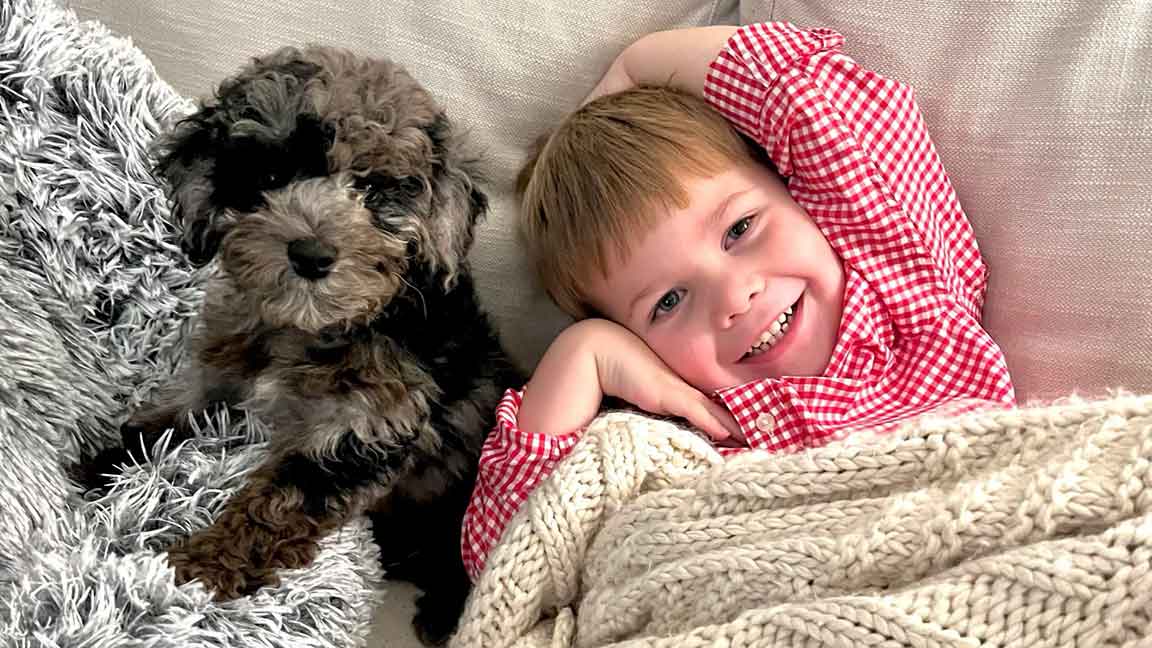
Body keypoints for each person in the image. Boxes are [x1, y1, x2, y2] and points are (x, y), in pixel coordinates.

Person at [461, 21, 1015, 581]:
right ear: (635, 344)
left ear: (796, 188)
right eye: (669, 302)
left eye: (739, 229)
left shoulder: (904, 287)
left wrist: (636, 66)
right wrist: (582, 355)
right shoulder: (675, 437)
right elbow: (508, 566)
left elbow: (807, 94)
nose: (734, 295)